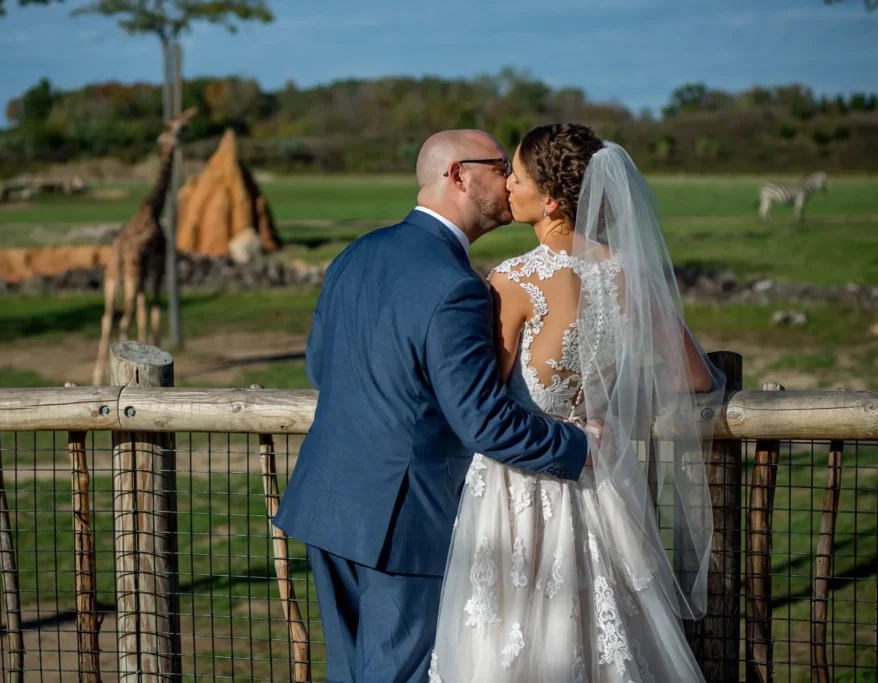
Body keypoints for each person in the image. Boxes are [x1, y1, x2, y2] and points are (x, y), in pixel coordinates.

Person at [273, 129, 590, 683]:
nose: (511, 181)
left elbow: (322, 367)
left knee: (349, 672)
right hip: (404, 520)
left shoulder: (357, 253)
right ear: (458, 175)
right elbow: (485, 422)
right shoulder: (457, 285)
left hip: (328, 504)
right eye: (499, 166)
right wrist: (580, 445)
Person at [428, 123, 726, 682]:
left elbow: (483, 398)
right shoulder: (630, 274)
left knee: (510, 641)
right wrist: (610, 399)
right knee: (605, 632)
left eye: (516, 177)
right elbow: (696, 377)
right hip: (600, 481)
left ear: (553, 199)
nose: (507, 186)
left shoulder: (514, 280)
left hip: (516, 487)